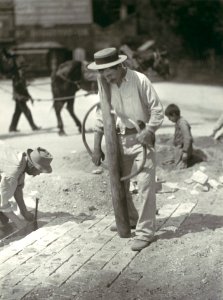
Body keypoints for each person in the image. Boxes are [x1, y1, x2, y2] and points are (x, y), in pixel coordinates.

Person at [87, 47, 164, 251]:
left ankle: (145, 232)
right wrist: (97, 147)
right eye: (101, 71)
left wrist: (149, 130)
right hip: (118, 141)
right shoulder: (105, 85)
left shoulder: (140, 80)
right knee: (120, 184)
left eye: (108, 70)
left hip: (142, 141)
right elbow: (100, 115)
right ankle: (130, 219)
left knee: (146, 185)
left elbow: (157, 110)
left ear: (119, 65)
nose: (104, 75)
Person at [0, 143, 53, 229]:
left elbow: (17, 188)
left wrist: (24, 211)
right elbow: (2, 204)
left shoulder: (22, 160)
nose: (38, 174)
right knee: (3, 221)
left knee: (5, 218)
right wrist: (19, 223)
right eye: (39, 170)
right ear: (32, 166)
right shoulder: (13, 172)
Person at [5, 50, 41, 132]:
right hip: (19, 96)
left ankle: (12, 127)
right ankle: (33, 126)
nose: (24, 68)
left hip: (18, 95)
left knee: (17, 112)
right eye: (23, 66)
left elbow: (20, 85)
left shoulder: (18, 74)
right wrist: (28, 95)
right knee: (26, 111)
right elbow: (19, 86)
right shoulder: (18, 74)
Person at [165, 104, 193, 169]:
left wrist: (185, 152)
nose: (169, 119)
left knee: (180, 167)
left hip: (183, 149)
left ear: (174, 114)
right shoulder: (178, 122)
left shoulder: (182, 123)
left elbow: (188, 138)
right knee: (176, 161)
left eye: (169, 117)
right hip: (180, 148)